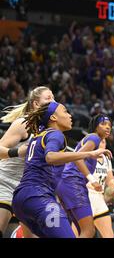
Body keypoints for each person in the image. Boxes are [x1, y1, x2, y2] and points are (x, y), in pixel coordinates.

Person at [11, 102, 109, 238]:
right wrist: (89, 154)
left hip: (19, 199)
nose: (70, 115)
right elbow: (50, 157)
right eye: (65, 112)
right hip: (39, 197)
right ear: (53, 118)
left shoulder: (39, 137)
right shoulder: (55, 134)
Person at [0, 86, 54, 238]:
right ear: (36, 104)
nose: (53, 101)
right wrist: (17, 151)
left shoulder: (48, 130)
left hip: (25, 186)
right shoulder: (24, 123)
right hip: (4, 182)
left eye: (54, 97)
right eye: (48, 98)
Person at [56, 114, 112, 238]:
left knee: (80, 231)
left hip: (65, 184)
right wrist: (92, 180)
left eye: (109, 125)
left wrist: (93, 154)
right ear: (95, 126)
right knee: (89, 231)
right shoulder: (94, 138)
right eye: (103, 124)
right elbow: (78, 158)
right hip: (73, 183)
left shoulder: (90, 139)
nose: (107, 127)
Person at [87, 138, 114, 238]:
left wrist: (113, 183)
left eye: (103, 142)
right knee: (83, 233)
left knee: (109, 235)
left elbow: (109, 180)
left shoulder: (107, 159)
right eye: (99, 141)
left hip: (99, 198)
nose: (101, 144)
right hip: (86, 196)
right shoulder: (87, 157)